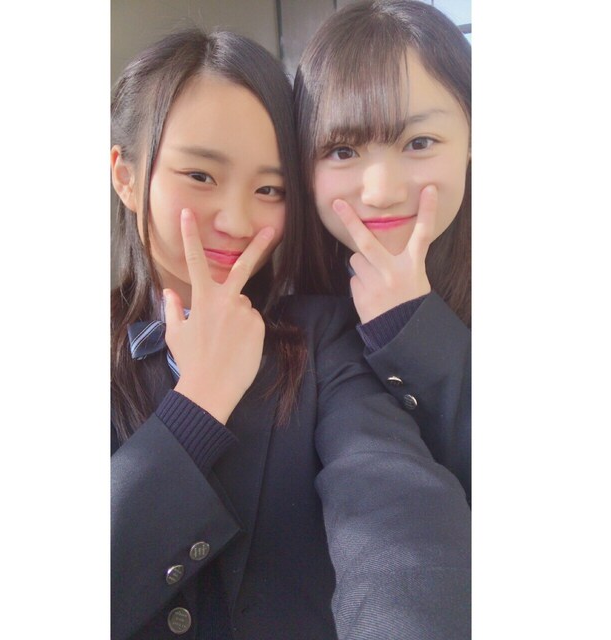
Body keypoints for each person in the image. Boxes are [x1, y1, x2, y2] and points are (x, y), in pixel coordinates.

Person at [110, 28, 470, 640]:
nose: (237, 220)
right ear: (125, 175)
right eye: (200, 175)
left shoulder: (322, 336)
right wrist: (197, 405)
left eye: (269, 189)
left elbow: (391, 503)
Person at [292, 0, 472, 501]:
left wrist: (411, 326)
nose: (381, 192)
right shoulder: (277, 295)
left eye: (419, 142)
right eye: (342, 151)